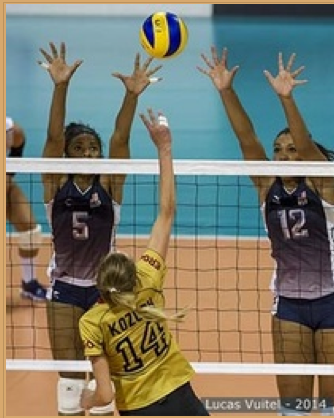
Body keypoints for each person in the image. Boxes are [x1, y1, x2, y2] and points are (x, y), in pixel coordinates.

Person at [198, 47, 334, 416]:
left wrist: (286, 99)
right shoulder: (267, 188)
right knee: (294, 408)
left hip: (332, 301)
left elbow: (307, 147)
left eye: (293, 150)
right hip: (289, 305)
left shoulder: (326, 189)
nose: (285, 156)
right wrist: (225, 91)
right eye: (279, 150)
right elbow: (247, 140)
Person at [38, 41, 162, 416]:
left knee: (104, 390)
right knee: (69, 385)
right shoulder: (54, 184)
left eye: (93, 148)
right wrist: (60, 86)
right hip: (63, 289)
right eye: (80, 148)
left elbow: (120, 140)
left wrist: (131, 95)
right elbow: (53, 138)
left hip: (105, 292)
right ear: (68, 155)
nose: (90, 153)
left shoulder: (109, 185)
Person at [79, 108, 209, 416]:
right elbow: (167, 212)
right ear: (131, 273)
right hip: (180, 394)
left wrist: (86, 400)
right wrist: (164, 149)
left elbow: (105, 394)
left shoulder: (92, 322)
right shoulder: (148, 278)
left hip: (139, 409)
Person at [6, 116, 47, 301]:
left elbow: (16, 151)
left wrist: (7, 177)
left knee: (31, 231)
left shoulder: (14, 131)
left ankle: (29, 284)